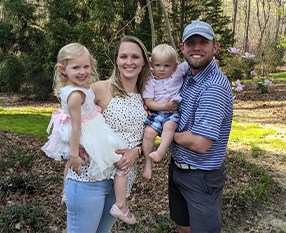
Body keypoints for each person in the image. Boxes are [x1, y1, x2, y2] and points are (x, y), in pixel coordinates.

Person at [41, 42, 140, 227]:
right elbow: (75, 124)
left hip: (116, 181)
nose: (82, 71)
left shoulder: (147, 93)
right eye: (123, 56)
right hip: (89, 177)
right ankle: (67, 189)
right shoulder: (92, 88)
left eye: (85, 66)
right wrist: (73, 152)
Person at [168, 21, 233, 233]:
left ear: (215, 47)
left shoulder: (213, 86)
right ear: (182, 48)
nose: (197, 47)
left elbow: (200, 142)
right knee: (183, 227)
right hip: (178, 168)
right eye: (191, 42)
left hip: (201, 176)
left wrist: (167, 133)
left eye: (203, 42)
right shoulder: (186, 74)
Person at [142, 44, 189, 180]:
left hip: (172, 114)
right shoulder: (150, 81)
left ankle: (161, 151)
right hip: (157, 112)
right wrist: (164, 106)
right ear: (152, 64)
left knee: (169, 127)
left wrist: (212, 62)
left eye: (167, 66)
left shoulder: (177, 74)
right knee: (148, 133)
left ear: (174, 66)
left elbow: (189, 64)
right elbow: (149, 102)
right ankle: (147, 164)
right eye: (157, 65)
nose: (161, 69)